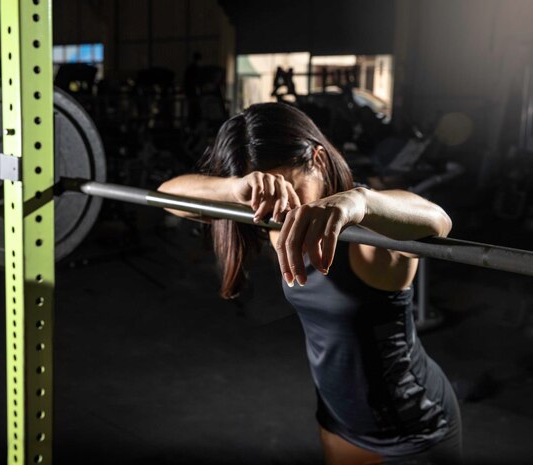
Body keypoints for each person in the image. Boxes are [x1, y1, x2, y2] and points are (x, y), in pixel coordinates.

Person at [158, 102, 462, 465]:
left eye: (288, 188)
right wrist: (233, 187)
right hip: (339, 418)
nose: (279, 211)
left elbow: (438, 221)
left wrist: (360, 200)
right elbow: (166, 197)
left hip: (413, 427)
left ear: (318, 159)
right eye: (266, 198)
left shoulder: (364, 237)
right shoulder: (272, 216)